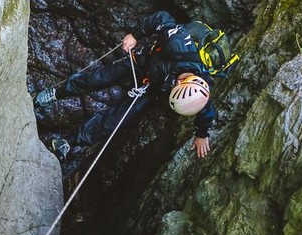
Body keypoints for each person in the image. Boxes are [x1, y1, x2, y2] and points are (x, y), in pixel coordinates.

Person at [34, 11, 217, 162]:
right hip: (144, 62)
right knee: (97, 79)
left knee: (115, 120)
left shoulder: (200, 94)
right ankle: (56, 93)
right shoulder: (179, 44)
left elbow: (207, 112)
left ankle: (69, 141)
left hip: (151, 88)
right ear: (180, 82)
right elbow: (162, 19)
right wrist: (135, 35)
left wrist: (202, 133)